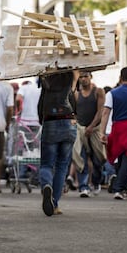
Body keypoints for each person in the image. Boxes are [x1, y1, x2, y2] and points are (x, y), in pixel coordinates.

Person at [38, 68, 79, 216]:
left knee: (47, 164)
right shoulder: (71, 76)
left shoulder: (46, 78)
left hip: (51, 122)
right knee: (62, 166)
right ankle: (54, 203)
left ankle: (47, 185)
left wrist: (42, 120)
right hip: (69, 123)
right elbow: (75, 102)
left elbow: (41, 104)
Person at [100, 66, 127, 200]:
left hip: (117, 128)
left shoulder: (111, 94)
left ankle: (123, 186)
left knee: (120, 157)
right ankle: (119, 188)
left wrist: (102, 132)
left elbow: (106, 113)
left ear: (120, 77)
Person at [71, 71, 106, 197]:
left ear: (91, 77)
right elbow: (74, 111)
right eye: (81, 77)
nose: (83, 79)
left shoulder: (98, 91)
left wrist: (91, 126)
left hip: (95, 129)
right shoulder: (76, 94)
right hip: (81, 130)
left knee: (98, 159)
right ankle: (83, 187)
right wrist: (76, 122)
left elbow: (100, 111)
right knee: (81, 158)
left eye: (86, 76)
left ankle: (96, 183)